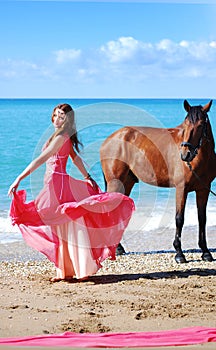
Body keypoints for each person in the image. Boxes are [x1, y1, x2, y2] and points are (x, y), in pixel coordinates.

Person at [8, 103, 135, 282]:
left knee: (61, 220)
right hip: (54, 182)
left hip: (57, 184)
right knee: (63, 225)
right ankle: (66, 271)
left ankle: (82, 269)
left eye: (62, 117)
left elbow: (42, 159)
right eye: (56, 115)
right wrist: (87, 176)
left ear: (67, 120)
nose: (58, 119)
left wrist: (19, 178)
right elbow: (75, 158)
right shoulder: (60, 135)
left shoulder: (61, 137)